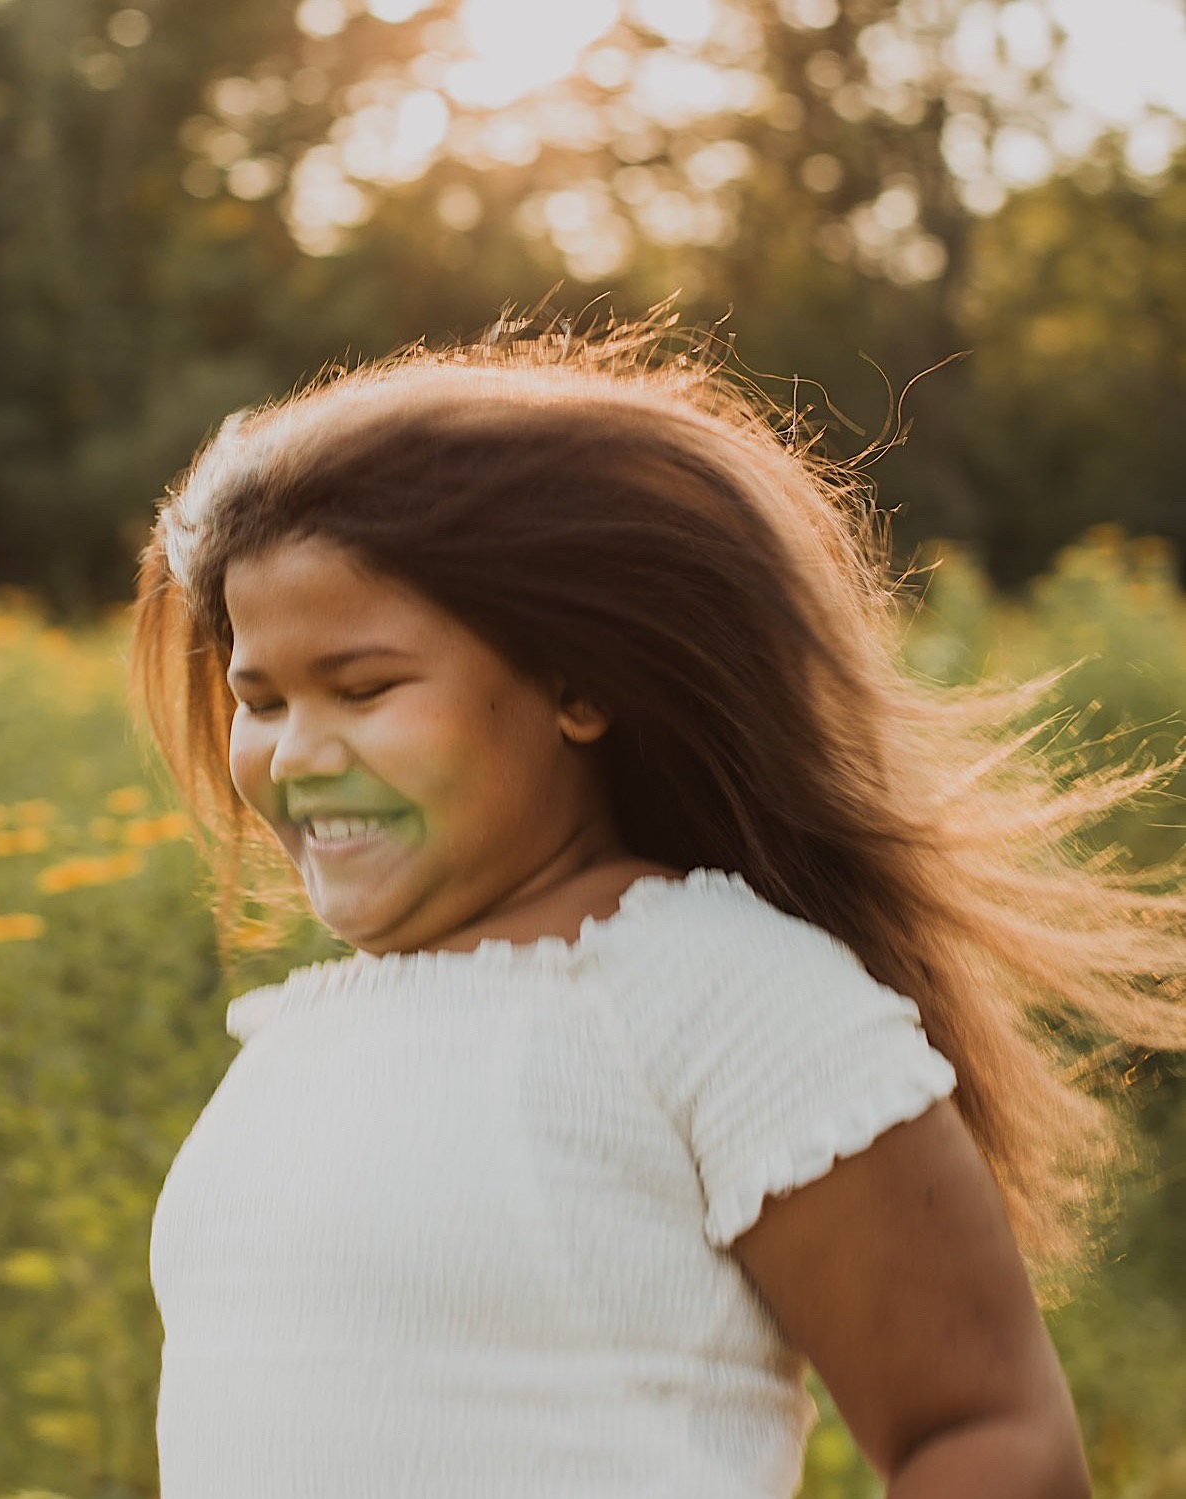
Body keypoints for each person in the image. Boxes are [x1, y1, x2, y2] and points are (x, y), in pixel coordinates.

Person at [130, 329, 1186, 1498]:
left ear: (579, 684)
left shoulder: (719, 994)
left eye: (365, 688)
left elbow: (987, 1435)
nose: (296, 754)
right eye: (260, 698)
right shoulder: (305, 1034)